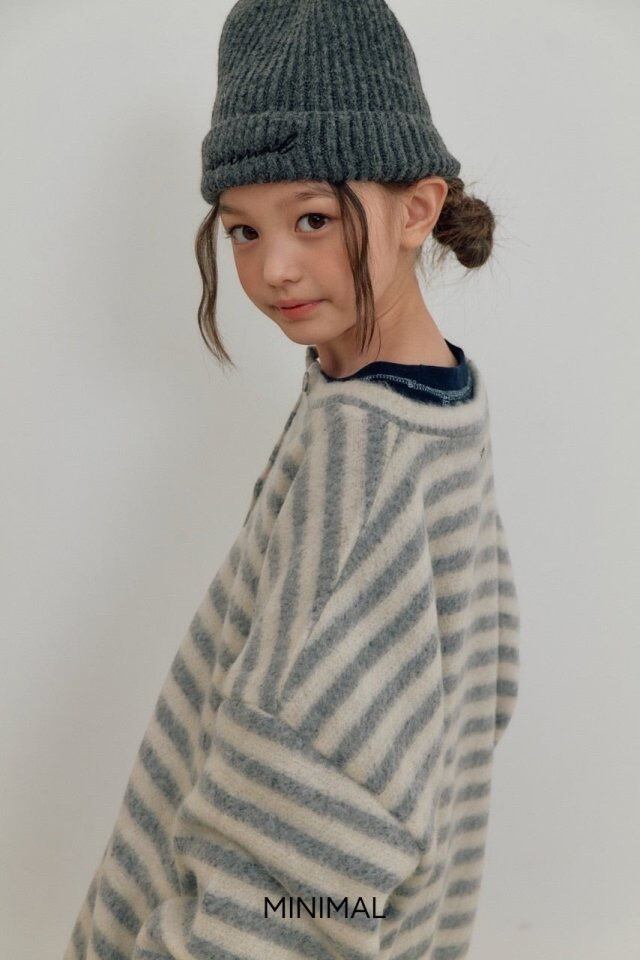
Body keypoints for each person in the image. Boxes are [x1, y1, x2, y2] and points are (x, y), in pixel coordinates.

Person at [63, 1, 520, 958]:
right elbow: (488, 678)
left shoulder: (367, 451)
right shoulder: (436, 399)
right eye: (241, 230)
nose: (273, 268)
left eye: (313, 219)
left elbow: (303, 865)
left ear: (418, 209)